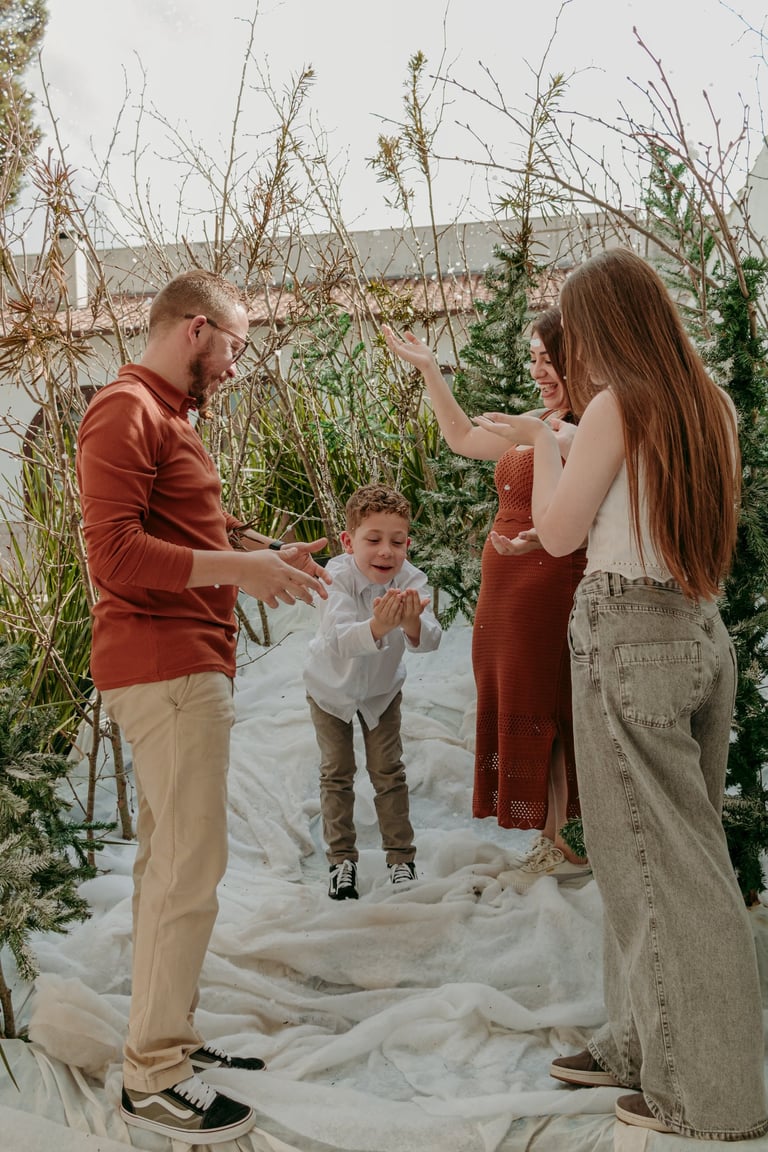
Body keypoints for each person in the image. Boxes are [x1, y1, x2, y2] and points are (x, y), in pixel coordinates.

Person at [474, 247, 768, 1139]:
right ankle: (643, 1046)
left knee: (666, 871)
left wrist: (538, 439)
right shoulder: (705, 402)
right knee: (649, 855)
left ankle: (712, 1097)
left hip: (628, 634)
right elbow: (638, 496)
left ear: (604, 324)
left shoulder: (616, 403)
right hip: (695, 631)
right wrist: (562, 446)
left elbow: (560, 532)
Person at [76, 269, 331, 1145]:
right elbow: (115, 555)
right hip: (165, 667)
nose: (233, 365)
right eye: (234, 347)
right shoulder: (124, 410)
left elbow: (182, 530)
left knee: (170, 868)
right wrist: (240, 573)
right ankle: (152, 1077)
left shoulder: (168, 416)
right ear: (195, 328)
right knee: (189, 870)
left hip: (186, 664)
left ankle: (168, 1039)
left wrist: (263, 550)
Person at [382, 310, 589, 889]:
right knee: (522, 698)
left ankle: (571, 842)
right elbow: (462, 438)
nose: (538, 370)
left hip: (550, 581)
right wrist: (430, 370)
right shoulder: (537, 422)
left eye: (549, 359)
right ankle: (551, 831)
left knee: (551, 706)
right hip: (506, 589)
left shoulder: (585, 428)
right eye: (533, 358)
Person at [303, 483, 442, 900]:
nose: (386, 552)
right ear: (349, 542)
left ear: (407, 544)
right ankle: (341, 861)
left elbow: (431, 638)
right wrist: (380, 626)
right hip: (330, 691)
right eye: (374, 540)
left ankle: (401, 860)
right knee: (337, 772)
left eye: (397, 542)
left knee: (388, 771)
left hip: (381, 693)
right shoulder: (336, 578)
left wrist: (411, 622)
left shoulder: (411, 579)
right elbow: (340, 639)